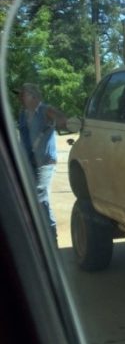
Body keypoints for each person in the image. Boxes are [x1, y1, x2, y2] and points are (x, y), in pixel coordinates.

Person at [17, 83, 67, 243]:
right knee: (29, 196)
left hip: (45, 161)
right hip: (29, 161)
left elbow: (63, 121)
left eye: (23, 95)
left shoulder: (46, 110)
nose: (20, 98)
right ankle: (37, 236)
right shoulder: (23, 114)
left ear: (33, 96)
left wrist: (57, 120)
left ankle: (51, 237)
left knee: (40, 194)